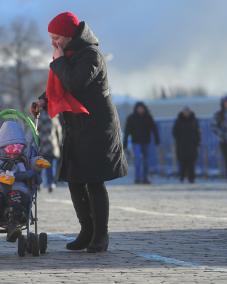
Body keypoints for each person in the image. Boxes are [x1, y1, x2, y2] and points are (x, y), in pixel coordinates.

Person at [32, 12, 127, 253]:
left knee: (94, 181)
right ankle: (86, 230)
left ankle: (100, 235)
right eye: (51, 38)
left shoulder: (91, 55)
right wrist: (43, 101)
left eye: (57, 37)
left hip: (96, 127)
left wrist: (59, 60)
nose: (54, 42)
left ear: (68, 35)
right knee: (74, 180)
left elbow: (75, 82)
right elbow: (60, 86)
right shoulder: (68, 55)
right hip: (76, 127)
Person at [0, 121, 50, 253]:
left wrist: (37, 162)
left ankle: (13, 224)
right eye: (11, 149)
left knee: (17, 197)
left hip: (16, 188)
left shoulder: (23, 156)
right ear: (2, 145)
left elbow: (30, 162)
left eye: (18, 149)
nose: (14, 153)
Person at [123, 102, 160, 184]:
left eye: (141, 108)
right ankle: (137, 178)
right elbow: (127, 131)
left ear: (144, 109)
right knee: (138, 159)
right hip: (136, 142)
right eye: (139, 108)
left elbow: (154, 129)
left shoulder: (148, 117)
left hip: (146, 142)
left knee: (146, 160)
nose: (140, 110)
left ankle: (145, 178)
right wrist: (125, 142)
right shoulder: (131, 118)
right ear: (136, 109)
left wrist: (157, 139)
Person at [37, 101, 63, 192]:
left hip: (42, 144)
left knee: (39, 164)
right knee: (50, 166)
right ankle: (51, 183)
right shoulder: (54, 117)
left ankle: (39, 183)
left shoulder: (39, 117)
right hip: (52, 145)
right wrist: (59, 143)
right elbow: (59, 132)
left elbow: (36, 129)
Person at [173, 106, 201, 183]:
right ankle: (182, 177)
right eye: (185, 111)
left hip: (192, 144)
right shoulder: (178, 120)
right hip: (181, 144)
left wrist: (197, 141)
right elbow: (175, 132)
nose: (186, 113)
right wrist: (178, 139)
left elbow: (198, 132)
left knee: (191, 162)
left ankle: (191, 178)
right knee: (182, 161)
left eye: (188, 111)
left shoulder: (194, 120)